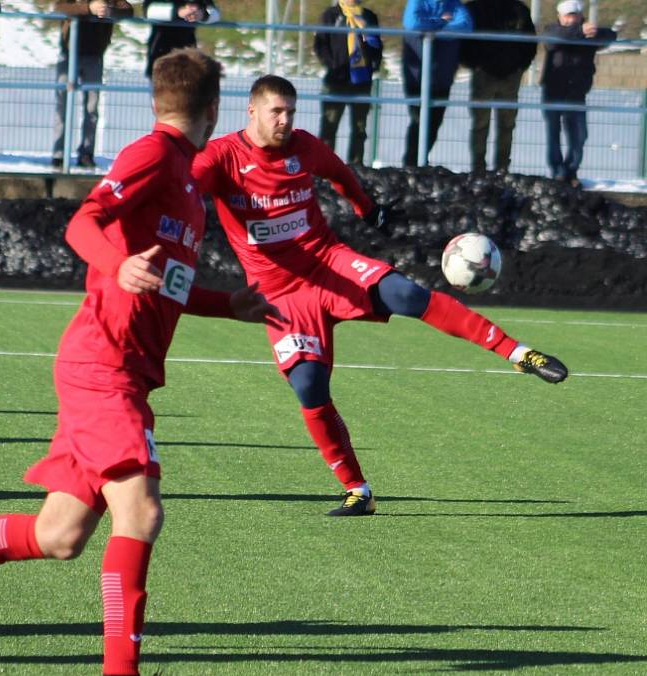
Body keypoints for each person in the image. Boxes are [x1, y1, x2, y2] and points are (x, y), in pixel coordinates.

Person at [0, 48, 284, 676]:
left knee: (60, 535)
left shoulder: (184, 179)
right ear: (216, 110)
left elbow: (165, 283)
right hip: (103, 368)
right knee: (141, 512)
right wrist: (117, 265)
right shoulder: (153, 156)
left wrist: (223, 303)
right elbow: (82, 221)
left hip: (116, 371)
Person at [192, 74, 568, 517]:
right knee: (310, 388)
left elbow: (340, 173)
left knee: (407, 294)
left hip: (328, 260)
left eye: (291, 111)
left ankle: (519, 353)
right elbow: (184, 188)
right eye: (276, 111)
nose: (285, 120)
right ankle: (358, 490)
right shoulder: (221, 157)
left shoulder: (304, 146)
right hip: (279, 294)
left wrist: (367, 210)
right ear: (251, 111)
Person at [51, 0, 134, 169]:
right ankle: (59, 155)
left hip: (95, 56)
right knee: (62, 105)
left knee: (91, 108)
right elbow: (59, 7)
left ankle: (86, 154)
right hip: (68, 53)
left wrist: (109, 11)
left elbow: (128, 10)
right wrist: (88, 9)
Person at [541, 0, 615, 187]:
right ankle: (558, 171)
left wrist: (595, 32)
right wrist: (581, 32)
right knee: (553, 133)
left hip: (577, 92)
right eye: (567, 16)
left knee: (579, 135)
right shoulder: (552, 29)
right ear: (559, 16)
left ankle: (571, 169)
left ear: (581, 17)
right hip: (553, 90)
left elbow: (610, 35)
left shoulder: (589, 32)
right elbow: (554, 39)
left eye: (574, 16)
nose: (570, 20)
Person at [459, 0, 537, 174]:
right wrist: (474, 64)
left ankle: (502, 166)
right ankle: (478, 166)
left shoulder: (519, 9)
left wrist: (520, 66)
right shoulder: (474, 8)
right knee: (480, 123)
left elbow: (530, 41)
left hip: (511, 76)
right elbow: (463, 40)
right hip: (483, 74)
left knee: (507, 123)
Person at [401, 0, 473, 167]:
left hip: (442, 77)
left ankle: (422, 161)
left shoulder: (454, 5)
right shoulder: (418, 2)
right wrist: (441, 21)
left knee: (434, 123)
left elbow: (466, 25)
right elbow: (412, 23)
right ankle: (411, 164)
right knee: (418, 121)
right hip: (417, 77)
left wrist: (434, 30)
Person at [313, 0, 383, 166]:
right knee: (329, 126)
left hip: (361, 81)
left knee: (359, 128)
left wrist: (372, 63)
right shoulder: (330, 15)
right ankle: (325, 166)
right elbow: (320, 45)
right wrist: (333, 65)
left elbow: (377, 45)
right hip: (336, 80)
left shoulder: (368, 16)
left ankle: (356, 166)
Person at [143, 0, 219, 78]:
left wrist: (203, 14)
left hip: (188, 53)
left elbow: (215, 13)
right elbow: (148, 11)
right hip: (160, 52)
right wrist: (178, 11)